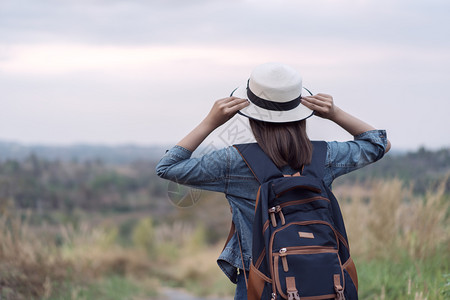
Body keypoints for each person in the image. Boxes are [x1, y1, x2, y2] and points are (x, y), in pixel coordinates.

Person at [156, 62, 391, 299]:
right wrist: (334, 113)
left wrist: (211, 122)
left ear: (251, 115)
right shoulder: (324, 156)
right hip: (322, 279)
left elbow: (168, 167)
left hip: (258, 280)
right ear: (301, 112)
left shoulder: (234, 161)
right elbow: (378, 144)